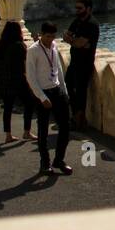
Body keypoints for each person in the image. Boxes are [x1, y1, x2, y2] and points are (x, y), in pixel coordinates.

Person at [26, 22, 72, 176]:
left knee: (65, 128)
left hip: (57, 90)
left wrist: (64, 91)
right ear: (41, 34)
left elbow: (58, 69)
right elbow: (31, 77)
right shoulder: (33, 51)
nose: (50, 39)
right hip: (43, 93)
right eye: (47, 36)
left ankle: (59, 160)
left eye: (53, 36)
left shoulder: (53, 46)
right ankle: (44, 163)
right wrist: (42, 97)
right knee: (43, 130)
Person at [0, 22, 36, 143]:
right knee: (29, 103)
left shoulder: (0, 45)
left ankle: (8, 135)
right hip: (18, 79)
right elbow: (26, 63)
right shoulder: (19, 45)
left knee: (7, 107)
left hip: (4, 81)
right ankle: (26, 131)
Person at [63, 0, 99, 130]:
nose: (77, 11)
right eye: (76, 8)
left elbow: (78, 42)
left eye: (80, 8)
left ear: (88, 9)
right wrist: (76, 41)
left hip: (85, 63)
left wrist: (73, 40)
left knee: (81, 91)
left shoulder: (92, 24)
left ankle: (80, 119)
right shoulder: (77, 21)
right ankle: (76, 115)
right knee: (69, 85)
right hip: (74, 62)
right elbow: (66, 36)